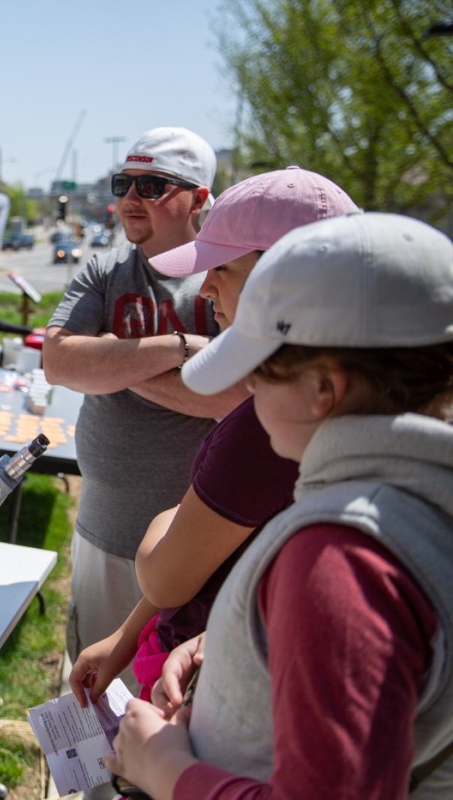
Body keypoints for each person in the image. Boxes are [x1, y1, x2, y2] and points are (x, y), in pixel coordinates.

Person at [104, 212, 453, 799]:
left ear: (324, 388)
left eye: (260, 370)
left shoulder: (342, 556)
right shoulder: (418, 502)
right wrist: (227, 644)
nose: (249, 393)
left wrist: (164, 768)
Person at [67, 167, 359, 706]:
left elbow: (167, 577)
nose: (204, 286)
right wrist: (128, 633)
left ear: (282, 280)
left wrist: (167, 517)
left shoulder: (264, 425)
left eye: (222, 267)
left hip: (220, 696)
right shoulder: (361, 398)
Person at [42, 127, 245, 694]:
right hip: (102, 532)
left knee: (170, 697)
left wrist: (110, 361)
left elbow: (234, 399)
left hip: (198, 545)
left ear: (200, 198)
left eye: (153, 185)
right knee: (90, 695)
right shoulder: (105, 270)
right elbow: (58, 363)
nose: (131, 198)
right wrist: (180, 351)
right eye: (123, 183)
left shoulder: (224, 280)